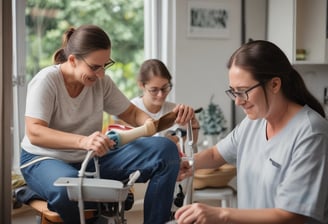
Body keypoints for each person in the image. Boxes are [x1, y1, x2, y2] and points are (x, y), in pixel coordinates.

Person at [19, 24, 194, 224]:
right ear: (73, 60)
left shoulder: (101, 82)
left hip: (89, 158)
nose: (101, 74)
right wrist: (83, 141)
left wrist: (149, 123)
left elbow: (130, 112)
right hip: (42, 158)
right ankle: (42, 190)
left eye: (105, 65)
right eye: (94, 67)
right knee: (69, 189)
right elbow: (35, 132)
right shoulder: (47, 80)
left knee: (165, 150)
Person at [175, 40, 328, 224]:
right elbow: (216, 155)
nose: (238, 101)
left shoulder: (311, 133)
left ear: (274, 85)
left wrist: (222, 214)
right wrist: (186, 163)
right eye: (233, 92)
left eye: (243, 91)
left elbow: (291, 216)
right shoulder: (253, 122)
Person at [130, 58, 200, 145]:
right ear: (141, 85)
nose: (160, 94)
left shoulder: (175, 111)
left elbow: (191, 145)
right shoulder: (129, 111)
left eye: (165, 88)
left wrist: (193, 124)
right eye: (154, 90)